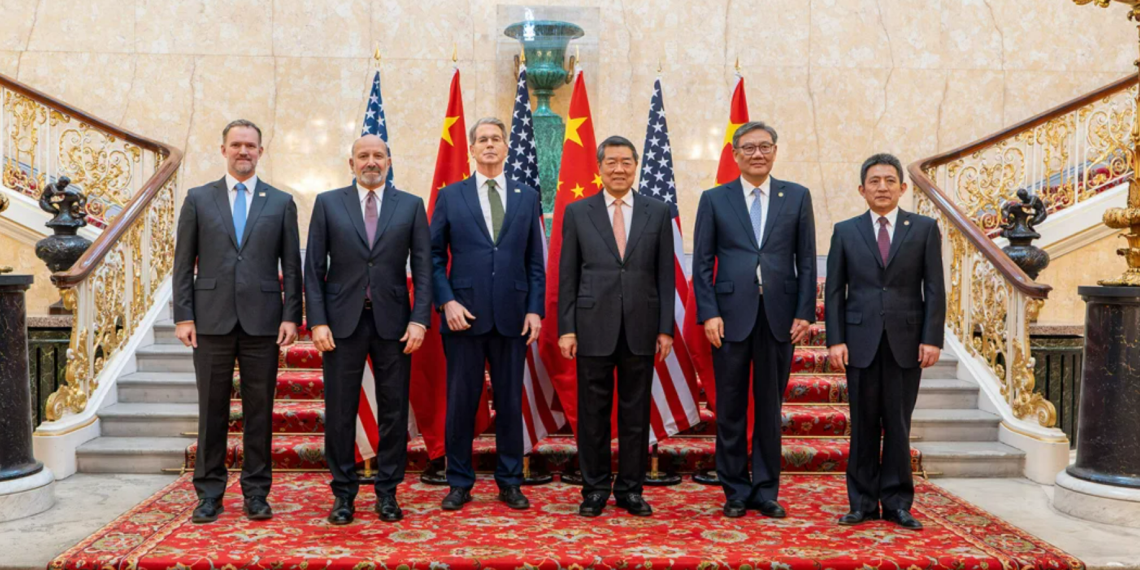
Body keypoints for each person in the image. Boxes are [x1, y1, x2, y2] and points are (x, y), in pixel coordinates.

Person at [172, 119, 302, 524]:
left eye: (250, 145)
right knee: (211, 411)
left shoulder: (281, 202)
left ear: (261, 151)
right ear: (223, 149)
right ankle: (209, 493)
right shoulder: (198, 199)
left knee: (259, 411)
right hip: (210, 321)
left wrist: (291, 315)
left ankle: (257, 492)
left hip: (263, 322)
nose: (243, 151)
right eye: (236, 145)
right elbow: (182, 263)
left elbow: (291, 266)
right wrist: (184, 315)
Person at [692, 121, 817, 519]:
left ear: (775, 151)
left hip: (779, 316)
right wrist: (709, 312)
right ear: (735, 154)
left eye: (765, 146)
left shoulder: (796, 196)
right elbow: (702, 262)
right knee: (730, 406)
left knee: (768, 406)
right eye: (748, 148)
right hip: (729, 317)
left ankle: (765, 490)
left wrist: (804, 311)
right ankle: (734, 489)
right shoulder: (715, 199)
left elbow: (807, 260)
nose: (757, 154)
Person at [305, 134, 431, 524]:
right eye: (363, 156)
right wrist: (318, 321)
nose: (371, 162)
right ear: (352, 163)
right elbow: (313, 268)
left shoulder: (410, 205)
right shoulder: (328, 203)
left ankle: (388, 492)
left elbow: (424, 268)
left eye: (378, 155)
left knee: (393, 410)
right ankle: (343, 494)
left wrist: (419, 319)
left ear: (388, 162)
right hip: (341, 323)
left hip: (395, 324)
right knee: (340, 411)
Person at [430, 117, 546, 511]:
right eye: (483, 139)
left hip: (513, 317)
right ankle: (459, 482)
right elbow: (432, 256)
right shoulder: (452, 196)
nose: (490, 145)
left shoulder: (527, 196)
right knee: (462, 403)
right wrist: (446, 301)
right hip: (463, 316)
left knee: (510, 403)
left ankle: (510, 481)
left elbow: (535, 261)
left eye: (497, 138)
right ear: (472, 149)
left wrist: (534, 310)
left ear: (506, 147)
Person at [825, 153, 945, 531]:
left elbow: (935, 288)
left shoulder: (924, 229)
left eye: (890, 181)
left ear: (903, 188)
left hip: (906, 342)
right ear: (862, 190)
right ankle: (861, 503)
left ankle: (896, 503)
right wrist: (835, 340)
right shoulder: (845, 231)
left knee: (897, 424)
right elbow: (834, 291)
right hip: (859, 341)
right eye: (874, 181)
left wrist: (931, 338)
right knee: (862, 424)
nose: (882, 187)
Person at [558, 136, 675, 517]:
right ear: (600, 167)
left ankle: (630, 489)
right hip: (592, 326)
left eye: (626, 162)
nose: (619, 169)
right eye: (611, 162)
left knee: (635, 414)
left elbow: (665, 275)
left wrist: (665, 329)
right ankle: (594, 489)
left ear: (636, 166)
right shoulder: (578, 212)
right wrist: (567, 328)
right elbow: (568, 274)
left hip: (642, 327)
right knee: (593, 414)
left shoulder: (657, 212)